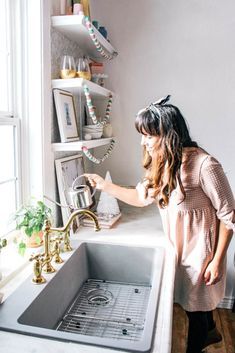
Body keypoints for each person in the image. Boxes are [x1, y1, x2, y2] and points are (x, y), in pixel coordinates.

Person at [84, 95, 235, 353]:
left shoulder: (204, 165)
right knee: (193, 304)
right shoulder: (163, 164)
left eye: (148, 135)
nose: (143, 142)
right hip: (177, 249)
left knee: (195, 312)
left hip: (201, 254)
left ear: (168, 134)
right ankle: (211, 331)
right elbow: (141, 198)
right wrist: (104, 185)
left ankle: (202, 338)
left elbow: (229, 215)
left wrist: (217, 260)